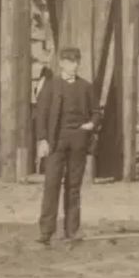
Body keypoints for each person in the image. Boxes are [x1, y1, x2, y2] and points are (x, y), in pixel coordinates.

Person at [33, 47, 98, 246]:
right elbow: (41, 114)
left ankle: (72, 230)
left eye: (77, 61)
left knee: (74, 186)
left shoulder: (86, 87)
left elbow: (96, 112)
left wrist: (91, 124)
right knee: (51, 184)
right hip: (56, 141)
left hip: (78, 140)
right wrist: (42, 139)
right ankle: (46, 231)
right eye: (70, 61)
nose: (74, 65)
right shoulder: (51, 86)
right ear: (61, 63)